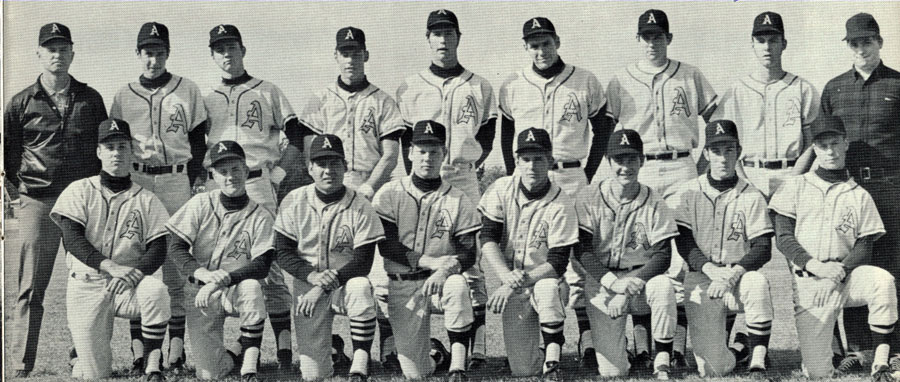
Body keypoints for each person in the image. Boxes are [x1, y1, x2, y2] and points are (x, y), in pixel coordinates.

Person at [603, 9, 718, 367]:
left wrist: (701, 166)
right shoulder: (621, 79)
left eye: (658, 35)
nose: (652, 42)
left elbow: (716, 121)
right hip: (642, 165)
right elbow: (607, 132)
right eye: (646, 36)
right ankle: (641, 341)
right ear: (637, 40)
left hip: (683, 163)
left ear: (669, 38)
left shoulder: (690, 74)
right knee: (643, 250)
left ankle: (676, 343)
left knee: (682, 256)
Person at [498, 16, 611, 366]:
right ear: (526, 47)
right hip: (529, 177)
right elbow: (505, 135)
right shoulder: (513, 84)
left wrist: (588, 173)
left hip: (571, 174)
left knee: (578, 261)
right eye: (534, 44)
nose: (541, 49)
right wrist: (513, 175)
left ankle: (588, 340)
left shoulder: (584, 80)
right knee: (534, 255)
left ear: (557, 42)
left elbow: (603, 126)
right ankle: (546, 338)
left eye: (546, 42)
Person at [4, 22, 108, 378]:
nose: (57, 55)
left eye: (63, 48)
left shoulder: (90, 97)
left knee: (88, 282)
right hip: (39, 200)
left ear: (72, 53)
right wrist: (24, 194)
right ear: (38, 54)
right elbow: (10, 155)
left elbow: (102, 151)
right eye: (50, 49)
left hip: (82, 203)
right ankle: (20, 364)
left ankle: (83, 357)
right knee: (31, 286)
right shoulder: (20, 102)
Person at [394, 10, 497, 367]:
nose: (442, 39)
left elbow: (487, 132)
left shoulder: (479, 84)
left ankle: (477, 343)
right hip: (421, 176)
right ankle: (406, 340)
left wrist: (470, 163)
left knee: (471, 259)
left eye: (448, 32)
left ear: (458, 36)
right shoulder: (410, 85)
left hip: (463, 175)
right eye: (435, 33)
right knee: (420, 249)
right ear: (427, 39)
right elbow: (407, 138)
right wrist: (416, 179)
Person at [298, 27, 404, 368]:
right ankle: (329, 343)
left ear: (366, 56)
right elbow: (307, 153)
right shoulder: (320, 99)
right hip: (329, 186)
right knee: (325, 260)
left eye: (356, 52)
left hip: (370, 186)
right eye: (344, 52)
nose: (351, 59)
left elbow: (390, 153)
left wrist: (370, 187)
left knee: (376, 275)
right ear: (336, 57)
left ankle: (386, 344)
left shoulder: (383, 100)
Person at [801, 13, 900, 375]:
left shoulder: (897, 84)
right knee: (852, 263)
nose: (861, 48)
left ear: (880, 43)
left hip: (890, 187)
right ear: (848, 46)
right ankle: (858, 348)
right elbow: (819, 143)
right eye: (855, 43)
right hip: (848, 188)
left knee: (891, 267)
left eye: (868, 41)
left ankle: (893, 348)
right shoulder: (834, 87)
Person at [109, 21, 208, 372]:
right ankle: (142, 350)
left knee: (175, 264)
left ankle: (177, 349)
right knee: (139, 260)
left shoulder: (188, 89)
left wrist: (193, 182)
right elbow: (114, 143)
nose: (153, 59)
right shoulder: (123, 94)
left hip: (176, 180)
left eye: (159, 52)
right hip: (137, 180)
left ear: (168, 53)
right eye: (148, 53)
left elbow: (198, 141)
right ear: (138, 54)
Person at [770, 114, 896, 381]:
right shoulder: (796, 186)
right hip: (809, 282)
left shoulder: (859, 194)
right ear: (814, 148)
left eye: (835, 143)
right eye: (823, 145)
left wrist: (836, 274)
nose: (830, 151)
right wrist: (817, 268)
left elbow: (865, 247)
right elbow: (783, 237)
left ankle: (881, 362)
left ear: (846, 144)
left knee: (882, 281)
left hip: (846, 277)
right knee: (817, 373)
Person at [50, 118, 171, 381]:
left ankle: (152, 364)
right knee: (95, 374)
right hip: (87, 284)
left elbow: (159, 248)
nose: (117, 152)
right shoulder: (80, 190)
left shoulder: (147, 198)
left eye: (123, 146)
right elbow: (71, 238)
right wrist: (111, 267)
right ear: (99, 152)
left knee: (156, 290)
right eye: (110, 146)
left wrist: (134, 274)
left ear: (131, 152)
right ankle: (79, 354)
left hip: (128, 285)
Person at [203, 24, 294, 368]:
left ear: (244, 49)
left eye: (232, 47)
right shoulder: (206, 96)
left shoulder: (267, 90)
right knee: (225, 261)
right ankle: (244, 342)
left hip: (258, 181)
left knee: (268, 264)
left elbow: (297, 134)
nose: (227, 54)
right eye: (220, 49)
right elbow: (198, 142)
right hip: (220, 185)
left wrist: (280, 173)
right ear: (212, 55)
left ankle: (283, 344)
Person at [373, 120, 480, 380]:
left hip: (439, 284)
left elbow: (468, 252)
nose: (427, 158)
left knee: (457, 284)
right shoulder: (389, 192)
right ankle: (437, 356)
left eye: (434, 151)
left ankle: (457, 367)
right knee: (416, 374)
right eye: (421, 151)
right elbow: (386, 246)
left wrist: (446, 271)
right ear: (410, 153)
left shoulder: (458, 198)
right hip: (402, 286)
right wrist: (431, 262)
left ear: (444, 155)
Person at [274, 134, 384, 381]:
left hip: (345, 283)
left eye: (334, 163)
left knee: (361, 287)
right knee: (313, 376)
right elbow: (283, 252)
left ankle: (360, 362)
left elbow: (363, 261)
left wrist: (323, 286)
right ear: (309, 168)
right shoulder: (294, 200)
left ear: (345, 167)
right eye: (321, 164)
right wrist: (312, 277)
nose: (328, 170)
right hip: (307, 284)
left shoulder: (360, 204)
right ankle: (335, 351)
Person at [670, 120, 775, 376]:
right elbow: (683, 241)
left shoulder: (751, 194)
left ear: (738, 152)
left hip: (738, 277)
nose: (723, 157)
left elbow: (763, 248)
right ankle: (742, 346)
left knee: (757, 282)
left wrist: (731, 274)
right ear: (706, 154)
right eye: (716, 151)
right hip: (702, 278)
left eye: (729, 150)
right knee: (712, 369)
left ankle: (758, 360)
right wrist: (710, 270)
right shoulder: (689, 191)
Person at [166, 140, 275, 382]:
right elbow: (176, 247)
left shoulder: (260, 214)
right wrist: (202, 274)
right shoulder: (200, 203)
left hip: (237, 287)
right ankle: (236, 350)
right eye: (222, 171)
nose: (230, 177)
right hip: (200, 290)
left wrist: (224, 279)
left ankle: (249, 367)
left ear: (246, 171)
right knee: (209, 374)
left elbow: (262, 264)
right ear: (212, 175)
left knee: (252, 287)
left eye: (236, 169)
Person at [573, 129, 678, 379]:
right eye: (619, 160)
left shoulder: (654, 200)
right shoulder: (589, 196)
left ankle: (662, 358)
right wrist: (614, 284)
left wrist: (628, 286)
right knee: (613, 372)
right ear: (609, 162)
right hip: (603, 283)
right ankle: (621, 350)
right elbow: (582, 250)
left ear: (642, 161)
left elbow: (663, 256)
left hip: (640, 281)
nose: (625, 167)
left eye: (632, 159)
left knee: (663, 286)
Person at [479, 127, 577, 380]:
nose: (532, 165)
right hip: (513, 283)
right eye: (526, 159)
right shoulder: (501, 188)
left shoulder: (561, 202)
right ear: (517, 161)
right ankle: (541, 350)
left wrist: (513, 283)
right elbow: (487, 237)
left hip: (546, 280)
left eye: (539, 158)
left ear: (551, 161)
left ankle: (553, 360)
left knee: (547, 288)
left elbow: (557, 262)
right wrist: (506, 278)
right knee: (523, 370)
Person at [711, 12, 819, 198]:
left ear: (784, 44)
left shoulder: (802, 88)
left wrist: (794, 179)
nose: (767, 47)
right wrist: (743, 180)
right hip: (750, 173)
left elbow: (812, 143)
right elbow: (724, 140)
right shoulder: (737, 90)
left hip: (792, 172)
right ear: (752, 44)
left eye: (773, 40)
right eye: (760, 41)